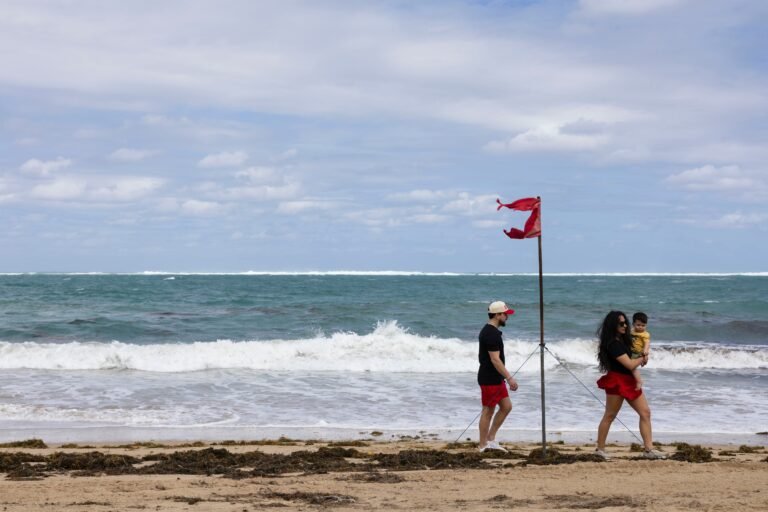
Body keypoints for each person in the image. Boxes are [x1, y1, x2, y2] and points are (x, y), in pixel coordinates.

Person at [595, 310, 665, 460]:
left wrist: (642, 356)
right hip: (617, 380)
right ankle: (600, 450)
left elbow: (634, 362)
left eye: (626, 322)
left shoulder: (623, 340)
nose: (625, 325)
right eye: (621, 323)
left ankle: (649, 450)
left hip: (629, 380)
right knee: (610, 415)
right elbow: (629, 364)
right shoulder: (613, 344)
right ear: (613, 325)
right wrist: (644, 357)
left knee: (645, 413)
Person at [477, 300, 519, 452]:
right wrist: (509, 378)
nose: (507, 317)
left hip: (496, 378)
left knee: (506, 407)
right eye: (505, 314)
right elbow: (495, 360)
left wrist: (504, 377)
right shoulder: (491, 334)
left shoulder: (492, 331)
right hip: (489, 378)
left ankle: (491, 438)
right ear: (497, 315)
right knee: (488, 411)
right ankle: (482, 445)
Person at [629, 312, 651, 391]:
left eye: (643, 325)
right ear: (633, 324)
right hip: (630, 351)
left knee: (632, 367)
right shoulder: (631, 331)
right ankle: (632, 380)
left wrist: (645, 352)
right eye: (638, 325)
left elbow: (647, 343)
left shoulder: (645, 334)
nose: (640, 327)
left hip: (638, 353)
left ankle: (639, 381)